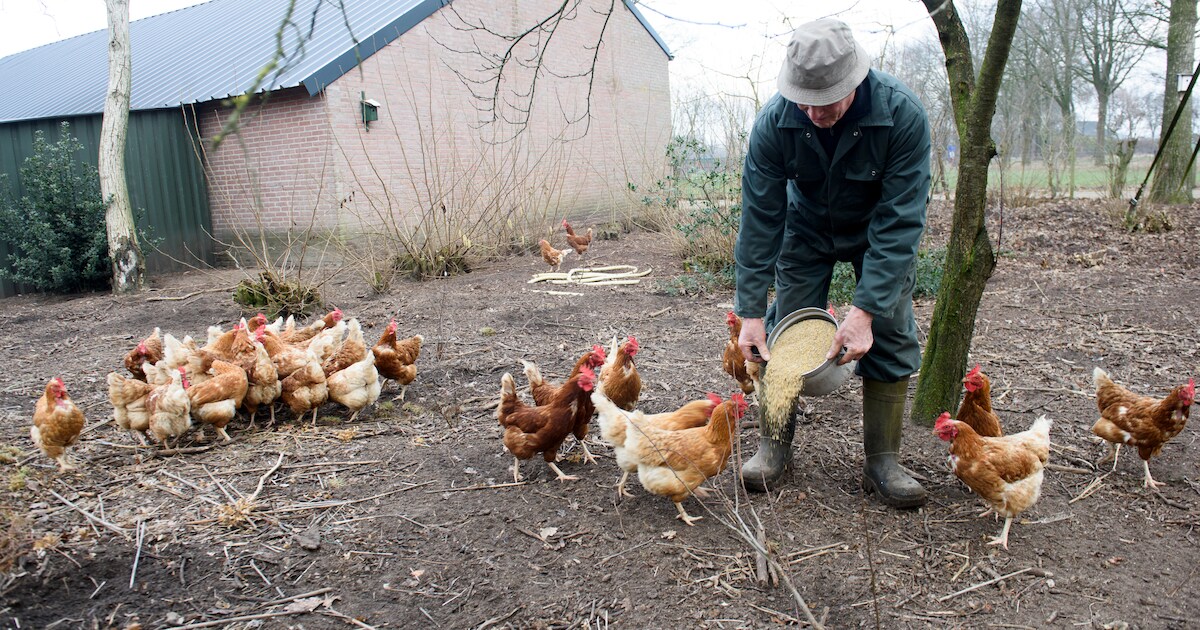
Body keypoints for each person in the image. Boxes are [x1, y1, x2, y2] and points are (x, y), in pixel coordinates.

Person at [734, 18, 931, 507]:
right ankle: (774, 448)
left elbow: (901, 222)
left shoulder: (902, 115)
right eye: (804, 101)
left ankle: (882, 462)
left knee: (889, 326)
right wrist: (751, 313)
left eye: (826, 101)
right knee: (785, 330)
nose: (813, 112)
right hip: (806, 229)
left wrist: (865, 312)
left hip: (877, 231)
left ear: (854, 80)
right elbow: (760, 221)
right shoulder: (774, 122)